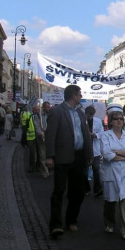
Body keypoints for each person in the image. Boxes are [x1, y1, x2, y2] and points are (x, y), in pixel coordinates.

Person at [45, 85, 93, 238]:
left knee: (78, 191)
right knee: (59, 191)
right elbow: (51, 135)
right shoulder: (57, 111)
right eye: (80, 94)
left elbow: (85, 135)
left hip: (78, 157)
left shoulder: (80, 113)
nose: (81, 96)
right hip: (62, 156)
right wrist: (50, 156)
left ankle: (71, 220)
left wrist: (89, 155)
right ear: (73, 96)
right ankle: (56, 224)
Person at [100, 103, 125, 240]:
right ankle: (109, 224)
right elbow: (106, 154)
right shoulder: (105, 135)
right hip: (110, 172)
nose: (119, 121)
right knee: (110, 200)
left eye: (121, 119)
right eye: (116, 119)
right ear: (111, 121)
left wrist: (117, 152)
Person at [84, 105, 103, 196]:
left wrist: (95, 135)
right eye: (89, 115)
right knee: (84, 170)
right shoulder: (82, 121)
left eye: (92, 115)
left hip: (95, 148)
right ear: (86, 113)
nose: (90, 116)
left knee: (96, 170)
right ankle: (86, 188)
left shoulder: (98, 121)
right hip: (85, 149)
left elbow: (102, 133)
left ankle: (97, 189)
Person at [27, 103, 48, 179]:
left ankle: (40, 166)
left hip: (40, 137)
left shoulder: (44, 116)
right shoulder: (33, 116)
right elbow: (34, 126)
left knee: (41, 154)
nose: (38, 110)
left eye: (39, 109)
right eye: (37, 109)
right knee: (35, 154)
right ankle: (34, 167)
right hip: (33, 137)